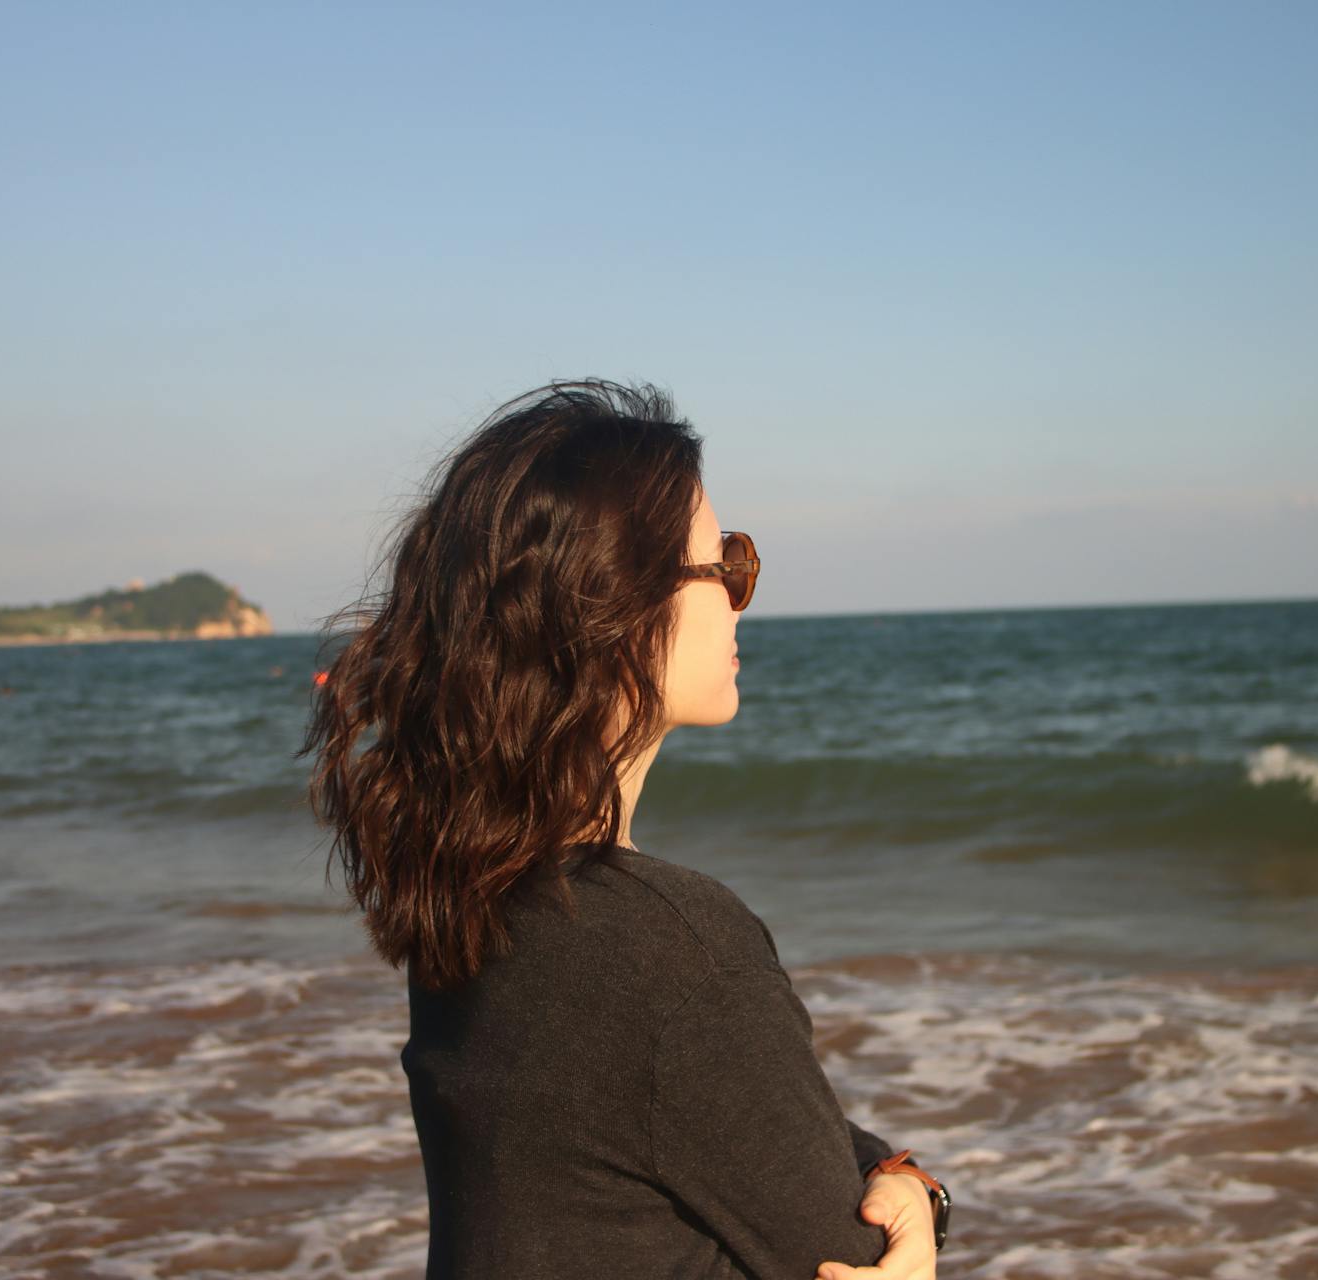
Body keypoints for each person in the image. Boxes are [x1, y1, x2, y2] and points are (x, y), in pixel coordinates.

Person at [301, 380, 948, 1278]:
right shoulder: (674, 949)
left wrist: (895, 1171)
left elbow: (715, 1116)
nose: (738, 596)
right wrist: (917, 1204)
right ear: (616, 608)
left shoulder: (479, 894)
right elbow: (851, 1257)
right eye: (723, 564)